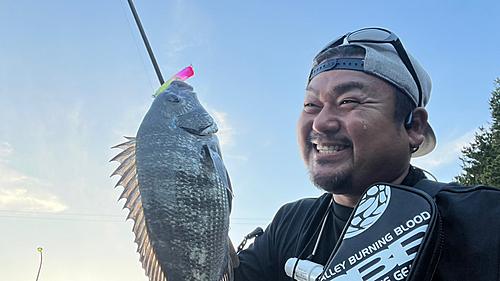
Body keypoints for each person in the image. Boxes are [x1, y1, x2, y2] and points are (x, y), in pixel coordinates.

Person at [230, 27, 500, 281]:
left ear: (414, 126)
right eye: (311, 104)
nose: (320, 123)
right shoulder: (292, 222)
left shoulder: (485, 220)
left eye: (348, 101)